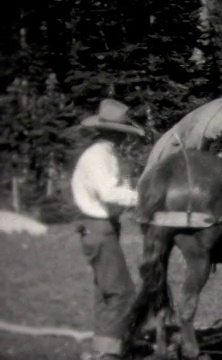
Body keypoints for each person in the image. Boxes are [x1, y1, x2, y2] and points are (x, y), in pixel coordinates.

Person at [71, 99, 144, 360]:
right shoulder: (98, 157)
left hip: (100, 227)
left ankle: (104, 347)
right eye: (122, 135)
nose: (124, 140)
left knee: (106, 291)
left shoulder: (104, 155)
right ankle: (110, 354)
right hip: (99, 228)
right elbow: (108, 192)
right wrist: (140, 197)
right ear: (113, 133)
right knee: (121, 292)